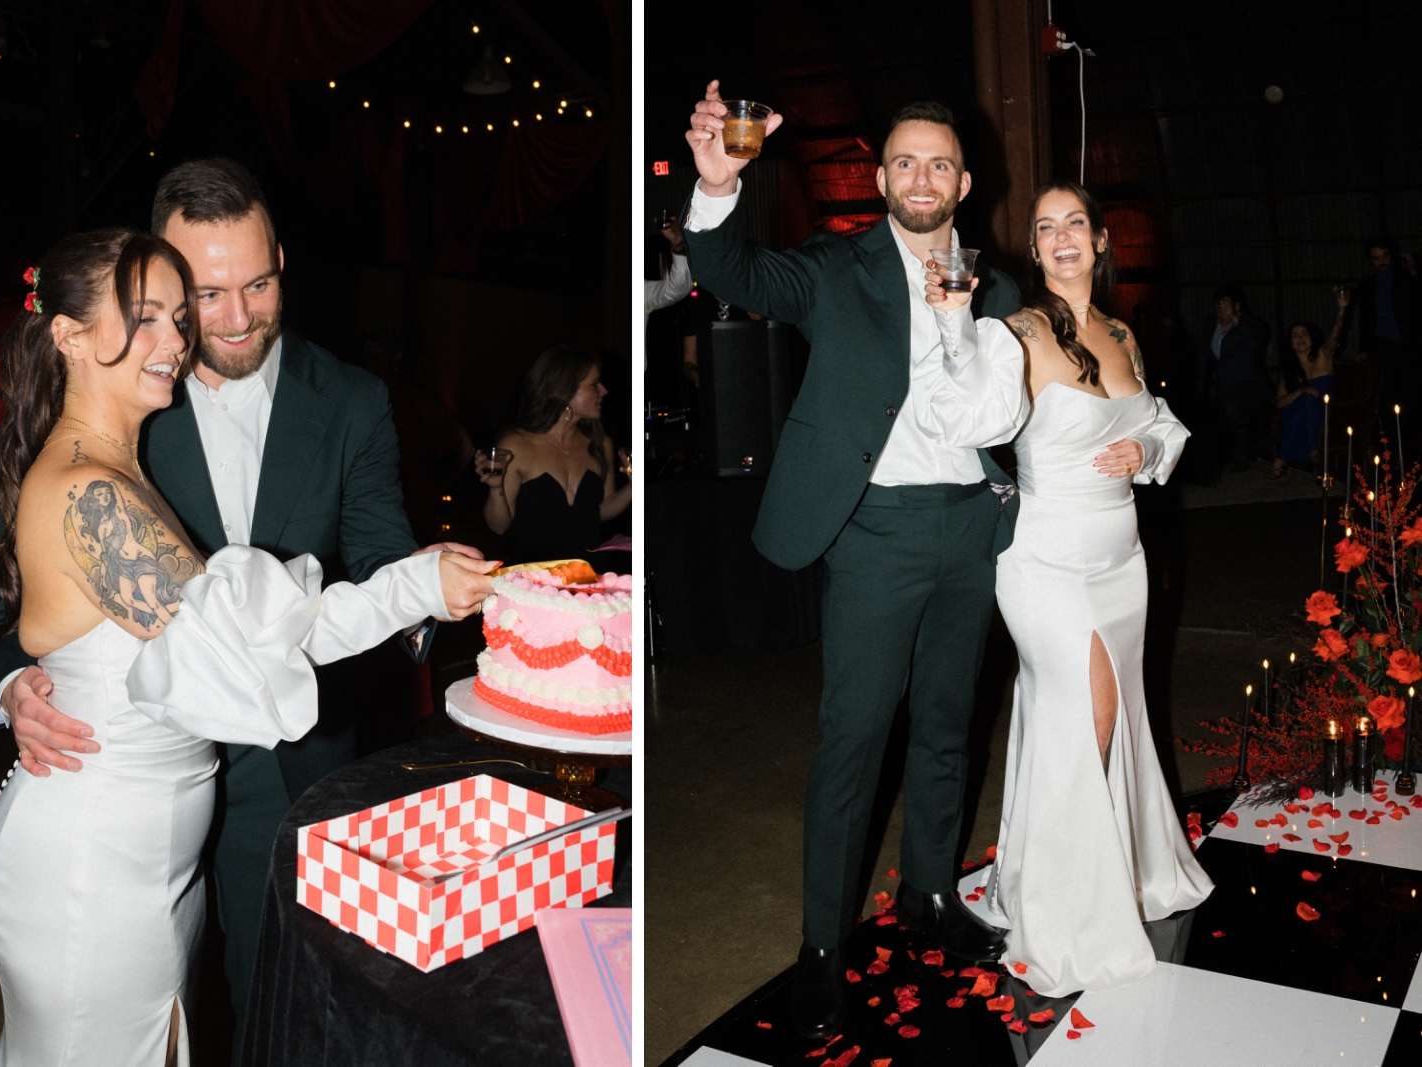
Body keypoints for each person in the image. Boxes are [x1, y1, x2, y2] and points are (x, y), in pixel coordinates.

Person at [0, 158, 495, 1058]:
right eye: (179, 306)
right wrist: (17, 680)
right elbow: (236, 642)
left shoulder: (136, 443)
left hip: (225, 814)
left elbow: (346, 562)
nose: (193, 333)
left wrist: (414, 592)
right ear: (69, 332)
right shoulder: (96, 479)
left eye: (180, 314)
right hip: (95, 852)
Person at [684, 82, 1026, 1039]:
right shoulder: (836, 268)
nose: (924, 177)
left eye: (941, 163)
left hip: (972, 526)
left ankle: (926, 892)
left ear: (965, 181)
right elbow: (737, 272)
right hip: (875, 531)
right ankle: (823, 946)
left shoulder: (997, 286)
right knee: (854, 738)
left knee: (950, 725)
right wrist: (718, 188)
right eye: (906, 161)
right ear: (880, 178)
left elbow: (1031, 401)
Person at [993, 181, 1212, 997]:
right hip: (1047, 558)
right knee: (1091, 714)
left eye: (1074, 223)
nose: (1061, 239)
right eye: (1045, 228)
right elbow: (975, 416)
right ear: (1032, 246)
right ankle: (1064, 906)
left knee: (1105, 715)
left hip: (1123, 559)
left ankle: (1084, 868)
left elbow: (1157, 423)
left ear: (1101, 238)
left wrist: (1143, 454)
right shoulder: (1017, 331)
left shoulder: (1119, 331)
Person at [475, 346, 631, 570]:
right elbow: (499, 527)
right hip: (534, 580)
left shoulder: (600, 443)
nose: (604, 391)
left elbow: (598, 513)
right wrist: (495, 488)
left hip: (591, 576)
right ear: (565, 390)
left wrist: (632, 488)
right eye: (594, 384)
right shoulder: (517, 445)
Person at [1271, 291, 1348, 478]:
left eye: (1304, 334)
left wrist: (1341, 311)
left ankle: (1280, 460)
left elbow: (1334, 337)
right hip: (1296, 408)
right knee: (1303, 401)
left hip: (1324, 408)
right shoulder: (1288, 371)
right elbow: (1279, 403)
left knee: (1301, 413)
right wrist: (1301, 391)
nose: (1300, 339)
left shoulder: (1323, 355)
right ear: (1290, 342)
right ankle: (1314, 452)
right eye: (1295, 335)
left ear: (1312, 337)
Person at [1198, 285, 1271, 473]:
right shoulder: (1210, 324)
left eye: (1226, 304)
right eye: (1218, 305)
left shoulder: (1250, 324)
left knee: (1236, 413)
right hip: (1222, 382)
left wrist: (1236, 319)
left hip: (1246, 382)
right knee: (1227, 418)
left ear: (1237, 305)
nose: (1221, 308)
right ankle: (1237, 454)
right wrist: (1201, 380)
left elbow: (1256, 342)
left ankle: (1240, 459)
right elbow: (1204, 353)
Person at [1353, 238, 1420, 411]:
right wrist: (1364, 349)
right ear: (1370, 260)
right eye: (1376, 257)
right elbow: (1365, 320)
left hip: (1407, 346)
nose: (1381, 261)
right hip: (1381, 347)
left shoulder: (1405, 278)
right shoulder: (1367, 285)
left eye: (1384, 256)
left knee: (1410, 394)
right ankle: (1387, 435)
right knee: (1383, 394)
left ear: (1391, 256)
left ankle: (1408, 433)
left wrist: (1413, 269)